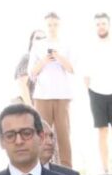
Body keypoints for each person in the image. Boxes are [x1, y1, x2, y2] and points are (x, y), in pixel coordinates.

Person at [27, 12, 77, 167]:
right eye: (49, 24)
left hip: (63, 95)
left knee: (64, 135)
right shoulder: (38, 45)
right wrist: (44, 61)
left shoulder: (67, 43)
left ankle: (67, 169)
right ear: (45, 25)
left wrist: (58, 57)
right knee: (41, 134)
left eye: (55, 24)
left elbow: (71, 68)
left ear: (59, 25)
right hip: (42, 96)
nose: (52, 27)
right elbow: (31, 72)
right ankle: (40, 167)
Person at [85, 12, 112, 174]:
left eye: (103, 23)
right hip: (96, 92)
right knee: (101, 131)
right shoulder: (90, 46)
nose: (100, 26)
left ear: (108, 24)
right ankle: (104, 169)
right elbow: (85, 73)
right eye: (97, 24)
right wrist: (88, 90)